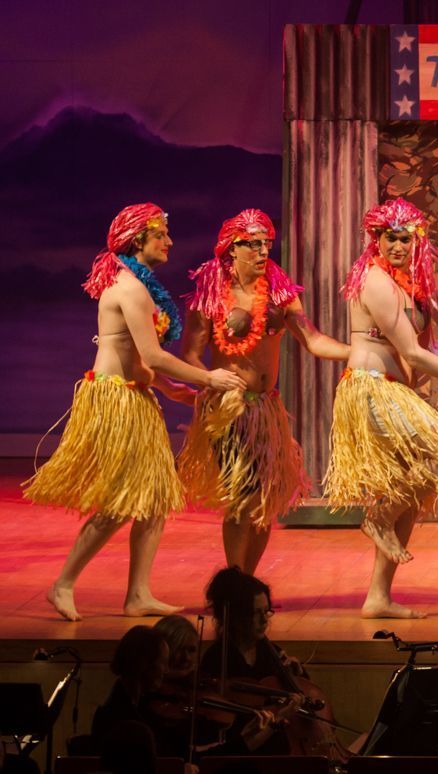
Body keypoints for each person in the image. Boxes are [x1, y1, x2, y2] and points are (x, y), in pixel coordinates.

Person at [25, 204, 245, 622]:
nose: (169, 241)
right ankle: (63, 583)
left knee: (153, 498)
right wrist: (208, 379)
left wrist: (172, 391)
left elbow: (140, 362)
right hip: (115, 402)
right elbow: (151, 355)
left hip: (136, 396)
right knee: (122, 500)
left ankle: (138, 593)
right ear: (137, 240)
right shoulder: (128, 289)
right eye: (160, 234)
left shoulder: (138, 287)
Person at [324, 199, 438, 618]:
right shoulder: (374, 280)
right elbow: (410, 349)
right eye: (389, 237)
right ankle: (378, 518)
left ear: (417, 242)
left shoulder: (406, 285)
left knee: (407, 493)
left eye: (405, 238)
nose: (397, 245)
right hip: (371, 390)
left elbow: (427, 349)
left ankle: (378, 596)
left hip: (395, 390)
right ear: (376, 239)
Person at [178, 209, 349, 574]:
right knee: (241, 501)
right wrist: (212, 382)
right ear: (231, 248)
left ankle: (248, 581)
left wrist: (359, 353)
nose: (262, 251)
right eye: (252, 244)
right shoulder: (211, 291)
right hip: (230, 410)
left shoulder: (280, 290)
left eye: (266, 243)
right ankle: (234, 585)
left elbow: (313, 340)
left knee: (264, 502)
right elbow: (191, 354)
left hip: (266, 411)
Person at [198, 567, 307, 756]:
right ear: (237, 616)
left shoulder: (273, 653)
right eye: (256, 613)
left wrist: (296, 675)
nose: (264, 620)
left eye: (266, 611)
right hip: (241, 752)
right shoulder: (218, 658)